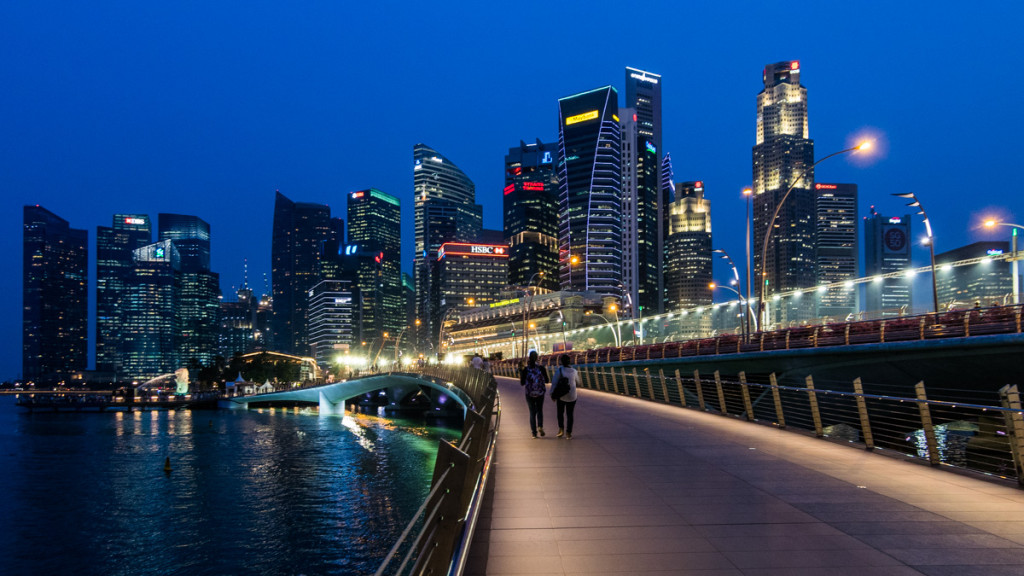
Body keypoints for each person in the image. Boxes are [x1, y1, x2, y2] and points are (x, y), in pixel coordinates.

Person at [519, 351, 548, 438]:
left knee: (532, 412)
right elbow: (547, 380)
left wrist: (521, 372)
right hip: (540, 393)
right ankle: (540, 426)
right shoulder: (541, 368)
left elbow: (522, 383)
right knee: (539, 410)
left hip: (529, 393)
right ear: (537, 358)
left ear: (529, 358)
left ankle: (534, 433)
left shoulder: (526, 370)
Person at [551, 354, 580, 439]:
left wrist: (552, 394)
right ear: (569, 361)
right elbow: (578, 382)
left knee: (560, 413)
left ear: (561, 362)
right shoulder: (574, 371)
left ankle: (561, 430)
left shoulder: (559, 371)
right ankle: (569, 433)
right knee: (570, 414)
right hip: (572, 396)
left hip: (561, 395)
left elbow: (554, 383)